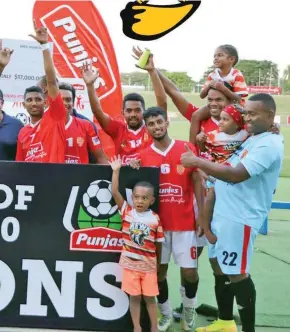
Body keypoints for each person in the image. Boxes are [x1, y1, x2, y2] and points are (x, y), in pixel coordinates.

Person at [182, 94, 284, 332]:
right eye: (246, 113)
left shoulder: (269, 144)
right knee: (218, 265)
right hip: (223, 214)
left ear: (270, 116)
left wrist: (197, 161)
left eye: (253, 113)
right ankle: (226, 322)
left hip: (240, 218)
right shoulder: (253, 138)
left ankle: (249, 329)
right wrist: (207, 220)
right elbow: (224, 172)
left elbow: (236, 174)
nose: (247, 118)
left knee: (237, 273)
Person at [132, 107, 204, 331]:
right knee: (158, 273)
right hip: (157, 228)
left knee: (189, 272)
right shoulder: (144, 155)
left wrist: (201, 215)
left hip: (185, 224)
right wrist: (133, 167)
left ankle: (188, 309)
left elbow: (198, 183)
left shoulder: (186, 148)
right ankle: (165, 314)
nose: (156, 127)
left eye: (159, 122)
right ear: (147, 128)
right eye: (151, 124)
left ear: (166, 123)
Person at [110, 155, 162, 332]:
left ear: (151, 200)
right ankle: (137, 327)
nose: (140, 201)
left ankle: (154, 327)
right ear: (132, 198)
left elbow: (159, 245)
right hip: (130, 266)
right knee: (134, 298)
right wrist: (116, 171)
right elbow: (115, 192)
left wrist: (159, 266)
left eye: (144, 198)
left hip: (148, 268)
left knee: (149, 299)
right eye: (137, 197)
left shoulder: (155, 219)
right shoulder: (126, 211)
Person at [16, 25, 66, 163]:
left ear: (45, 102)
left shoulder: (55, 116)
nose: (34, 103)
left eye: (38, 99)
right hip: (29, 184)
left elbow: (51, 81)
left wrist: (44, 46)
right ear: (23, 104)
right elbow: (19, 164)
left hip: (53, 181)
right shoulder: (22, 132)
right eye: (29, 100)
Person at [190, 45, 248, 144]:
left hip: (235, 106)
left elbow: (238, 99)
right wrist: (209, 86)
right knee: (196, 115)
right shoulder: (212, 75)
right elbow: (202, 95)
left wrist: (224, 89)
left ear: (231, 59)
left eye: (220, 55)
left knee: (248, 118)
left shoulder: (236, 74)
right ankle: (191, 145)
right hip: (217, 104)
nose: (215, 58)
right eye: (214, 56)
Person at [58, 79, 108, 165]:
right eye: (60, 99)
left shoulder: (86, 125)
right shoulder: (43, 126)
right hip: (53, 176)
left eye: (68, 99)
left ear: (73, 103)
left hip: (80, 177)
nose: (65, 103)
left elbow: (101, 158)